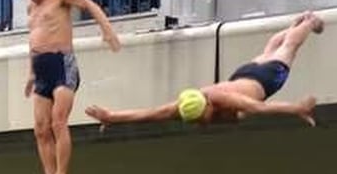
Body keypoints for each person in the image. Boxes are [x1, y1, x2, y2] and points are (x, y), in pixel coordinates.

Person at [85, 11, 323, 129]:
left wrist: (296, 109)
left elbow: (258, 106)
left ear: (208, 105)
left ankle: (310, 22)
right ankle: (295, 24)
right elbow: (148, 113)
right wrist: (111, 117)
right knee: (271, 49)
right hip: (243, 75)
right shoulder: (183, 106)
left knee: (286, 50)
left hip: (265, 81)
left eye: (201, 118)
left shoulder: (224, 100)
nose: (201, 123)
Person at [20, 0, 121, 174]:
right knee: (40, 128)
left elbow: (88, 4)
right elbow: (33, 40)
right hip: (41, 69)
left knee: (58, 121)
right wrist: (30, 73)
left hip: (62, 64)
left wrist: (107, 30)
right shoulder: (30, 9)